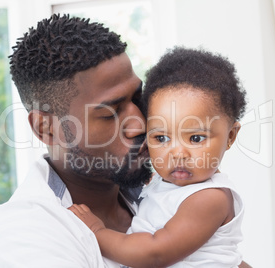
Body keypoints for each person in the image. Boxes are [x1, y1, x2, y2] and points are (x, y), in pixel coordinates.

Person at [0, 14, 251, 268]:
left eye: (137, 98)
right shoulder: (22, 237)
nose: (141, 124)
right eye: (111, 112)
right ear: (46, 128)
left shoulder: (157, 190)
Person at [69, 47, 247, 267]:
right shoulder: (165, 183)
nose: (178, 154)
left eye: (196, 138)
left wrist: (97, 232)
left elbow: (154, 253)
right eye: (161, 138)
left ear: (230, 136)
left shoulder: (209, 199)